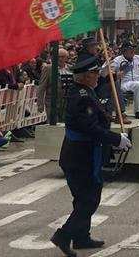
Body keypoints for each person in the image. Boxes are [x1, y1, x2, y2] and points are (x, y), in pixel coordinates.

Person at [50, 55, 131, 257]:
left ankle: (81, 237)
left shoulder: (85, 92)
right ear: (86, 76)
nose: (98, 76)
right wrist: (116, 139)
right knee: (89, 199)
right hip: (80, 157)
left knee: (83, 198)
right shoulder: (83, 97)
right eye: (95, 73)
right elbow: (91, 128)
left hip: (81, 155)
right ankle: (63, 235)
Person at [110, 42, 139, 124]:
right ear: (125, 51)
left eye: (133, 49)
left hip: (137, 81)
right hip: (123, 84)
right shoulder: (118, 60)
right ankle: (138, 111)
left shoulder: (138, 58)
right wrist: (116, 73)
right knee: (138, 85)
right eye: (131, 49)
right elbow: (109, 70)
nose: (133, 51)